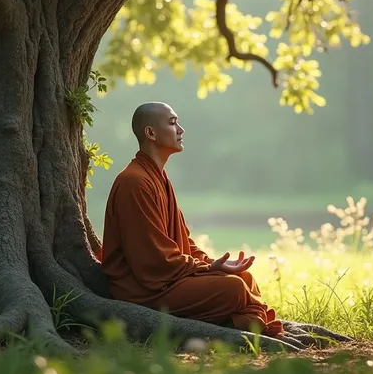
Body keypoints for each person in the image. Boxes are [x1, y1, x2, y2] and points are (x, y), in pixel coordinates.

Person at [101, 102, 283, 337]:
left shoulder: (159, 177)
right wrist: (207, 268)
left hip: (167, 279)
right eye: (173, 122)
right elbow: (153, 260)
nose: (181, 130)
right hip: (143, 289)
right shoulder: (134, 182)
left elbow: (183, 241)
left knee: (243, 278)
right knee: (234, 288)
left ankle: (241, 321)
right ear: (150, 132)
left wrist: (213, 263)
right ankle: (243, 322)